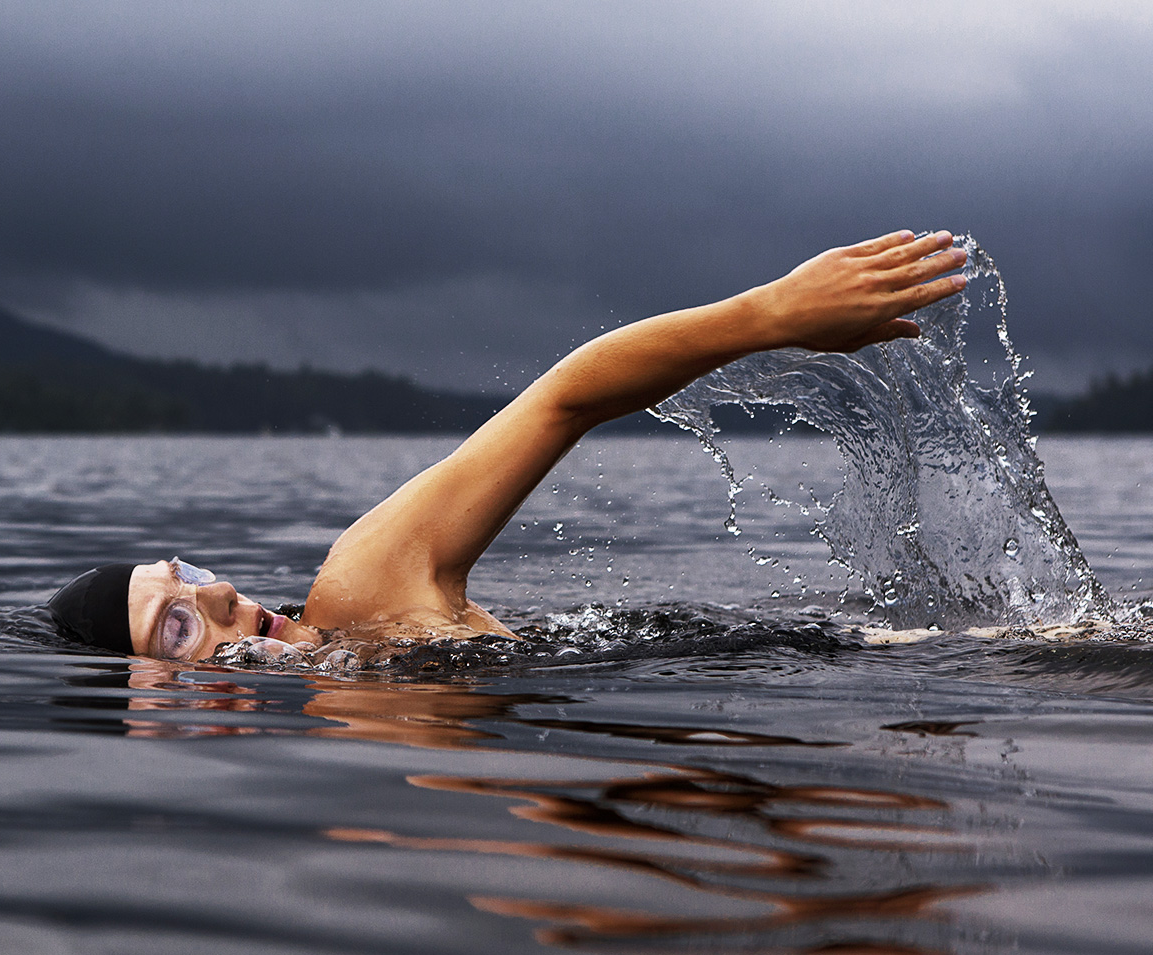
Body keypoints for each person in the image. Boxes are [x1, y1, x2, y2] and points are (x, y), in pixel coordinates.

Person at [48, 230, 970, 661]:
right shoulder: (354, 761)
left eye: (189, 573)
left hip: (920, 659)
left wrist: (768, 316)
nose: (218, 592)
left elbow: (562, 400)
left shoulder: (363, 593)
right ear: (151, 711)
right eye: (177, 624)